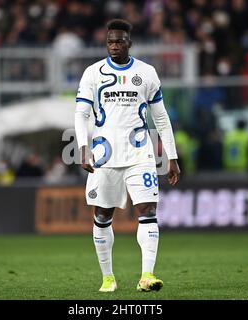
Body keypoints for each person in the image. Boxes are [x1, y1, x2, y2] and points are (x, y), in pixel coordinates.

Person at [74, 19, 180, 293]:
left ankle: (147, 275)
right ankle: (108, 277)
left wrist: (172, 155)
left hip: (140, 154)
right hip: (104, 157)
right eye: (110, 41)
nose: (114, 46)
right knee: (102, 215)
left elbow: (161, 117)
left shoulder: (146, 73)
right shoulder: (92, 73)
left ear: (129, 43)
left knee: (148, 210)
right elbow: (81, 114)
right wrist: (82, 147)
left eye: (120, 41)